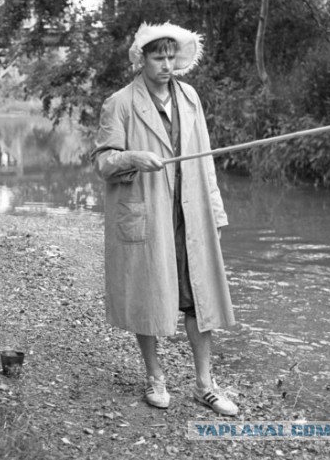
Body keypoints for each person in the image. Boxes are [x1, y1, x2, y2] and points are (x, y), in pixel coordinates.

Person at [92, 21, 238, 416]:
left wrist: (217, 213)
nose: (166, 64)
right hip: (146, 213)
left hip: (191, 213)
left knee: (199, 297)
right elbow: (104, 162)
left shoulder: (190, 97)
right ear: (142, 59)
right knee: (148, 294)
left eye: (172, 56)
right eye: (158, 57)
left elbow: (205, 160)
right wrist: (133, 158)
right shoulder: (120, 102)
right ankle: (155, 376)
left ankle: (205, 384)